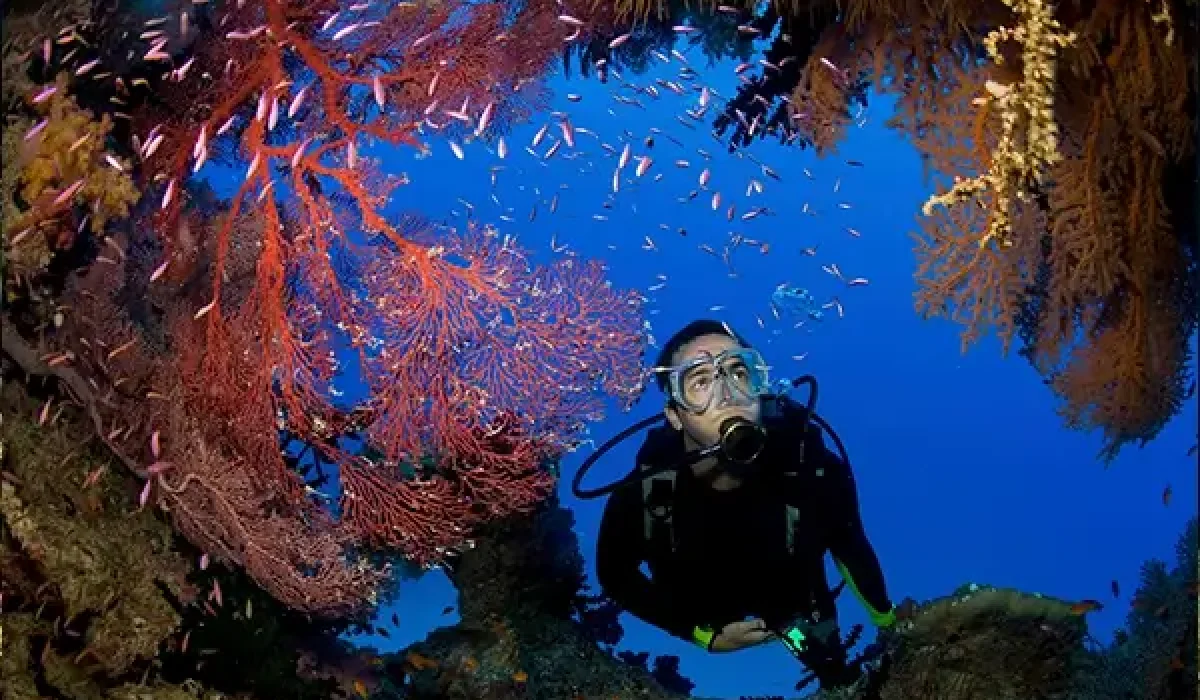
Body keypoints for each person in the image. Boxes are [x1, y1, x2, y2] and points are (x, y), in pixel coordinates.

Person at [595, 319, 898, 690]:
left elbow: (849, 545)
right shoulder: (650, 490)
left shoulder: (807, 466)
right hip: (703, 607)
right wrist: (701, 635)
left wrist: (891, 626)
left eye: (739, 372)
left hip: (788, 603)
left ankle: (831, 671)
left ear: (760, 388)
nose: (726, 394)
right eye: (700, 381)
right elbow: (614, 574)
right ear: (675, 414)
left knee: (827, 661)